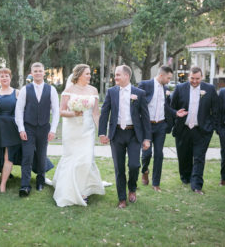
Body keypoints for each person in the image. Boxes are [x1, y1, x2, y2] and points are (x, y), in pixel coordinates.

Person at [0, 68, 54, 192]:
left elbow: (24, 110)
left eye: (6, 76)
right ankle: (5, 175)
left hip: (12, 127)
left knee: (8, 156)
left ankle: (3, 184)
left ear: (10, 78)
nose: (4, 78)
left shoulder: (17, 92)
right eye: (1, 76)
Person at [53, 64, 105, 207]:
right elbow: (61, 111)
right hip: (72, 130)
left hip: (87, 131)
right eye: (87, 74)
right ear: (79, 75)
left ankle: (82, 190)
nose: (90, 76)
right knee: (72, 159)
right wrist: (73, 113)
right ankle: (67, 187)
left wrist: (101, 132)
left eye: (90, 73)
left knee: (86, 161)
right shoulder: (69, 90)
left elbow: (95, 113)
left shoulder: (93, 90)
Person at [99, 65, 151, 208]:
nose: (115, 78)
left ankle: (132, 189)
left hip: (134, 134)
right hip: (117, 134)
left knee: (134, 165)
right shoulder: (111, 92)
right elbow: (104, 113)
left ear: (127, 76)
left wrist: (147, 138)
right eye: (115, 75)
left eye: (118, 75)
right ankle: (122, 198)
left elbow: (145, 117)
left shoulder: (139, 93)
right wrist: (102, 133)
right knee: (119, 168)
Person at [170, 66, 218, 195]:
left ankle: (196, 185)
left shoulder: (210, 89)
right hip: (183, 129)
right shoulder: (180, 88)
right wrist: (175, 114)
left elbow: (216, 109)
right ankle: (185, 177)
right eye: (192, 78)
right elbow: (171, 107)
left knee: (199, 158)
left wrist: (211, 126)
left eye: (197, 78)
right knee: (183, 156)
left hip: (202, 130)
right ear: (188, 77)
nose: (195, 81)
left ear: (202, 77)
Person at [138, 66, 187, 192]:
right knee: (146, 154)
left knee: (159, 154)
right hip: (147, 125)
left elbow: (166, 106)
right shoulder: (145, 85)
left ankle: (156, 183)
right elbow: (136, 104)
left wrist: (176, 113)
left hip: (160, 126)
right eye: (168, 78)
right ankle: (145, 170)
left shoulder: (165, 89)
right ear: (161, 76)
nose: (169, 81)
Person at [15, 62, 59, 197]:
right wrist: (21, 129)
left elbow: (56, 111)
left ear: (44, 72)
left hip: (44, 127)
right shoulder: (25, 89)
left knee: (41, 155)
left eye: (40, 71)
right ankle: (25, 185)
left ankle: (40, 181)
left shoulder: (51, 89)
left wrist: (52, 130)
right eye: (35, 71)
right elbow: (19, 110)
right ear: (31, 73)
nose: (38, 73)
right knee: (27, 156)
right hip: (28, 127)